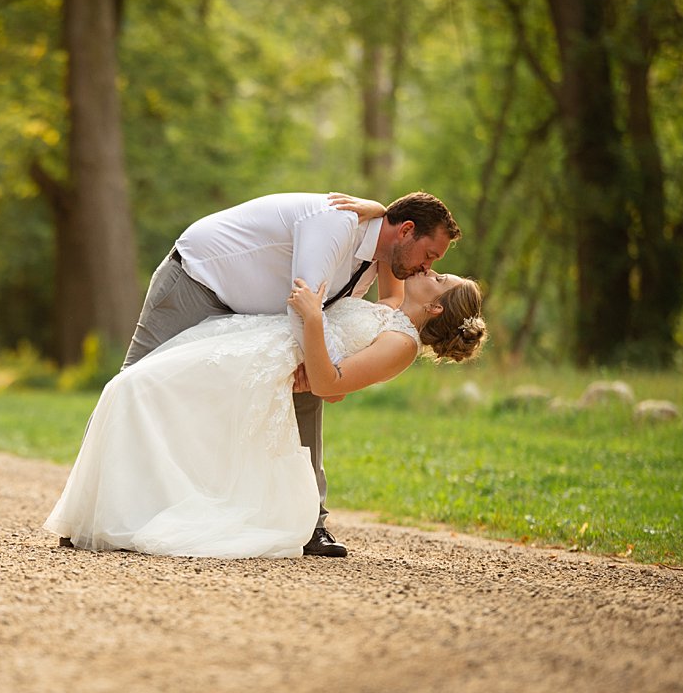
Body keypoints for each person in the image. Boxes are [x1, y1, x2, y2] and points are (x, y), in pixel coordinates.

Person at [44, 269, 486, 559]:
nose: (430, 269)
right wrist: (373, 209)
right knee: (133, 388)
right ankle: (113, 510)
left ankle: (121, 516)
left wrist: (313, 319)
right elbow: (394, 261)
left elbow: (331, 385)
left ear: (436, 308)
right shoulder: (393, 309)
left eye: (441, 278)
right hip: (249, 341)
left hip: (258, 368)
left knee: (136, 390)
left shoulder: (402, 345)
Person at [117, 191, 461, 557]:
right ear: (406, 230)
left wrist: (328, 374)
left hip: (258, 316)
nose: (427, 268)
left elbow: (389, 306)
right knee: (133, 382)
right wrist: (331, 376)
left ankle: (310, 524)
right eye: (429, 256)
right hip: (199, 280)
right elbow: (303, 305)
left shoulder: (388, 256)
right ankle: (103, 504)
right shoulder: (336, 225)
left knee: (306, 391)